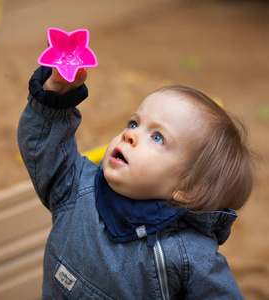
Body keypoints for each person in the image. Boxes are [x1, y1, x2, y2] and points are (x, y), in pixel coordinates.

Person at [18, 65, 255, 299]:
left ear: (187, 189)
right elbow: (43, 151)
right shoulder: (78, 187)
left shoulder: (188, 256)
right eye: (134, 123)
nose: (129, 135)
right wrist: (55, 96)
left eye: (157, 137)